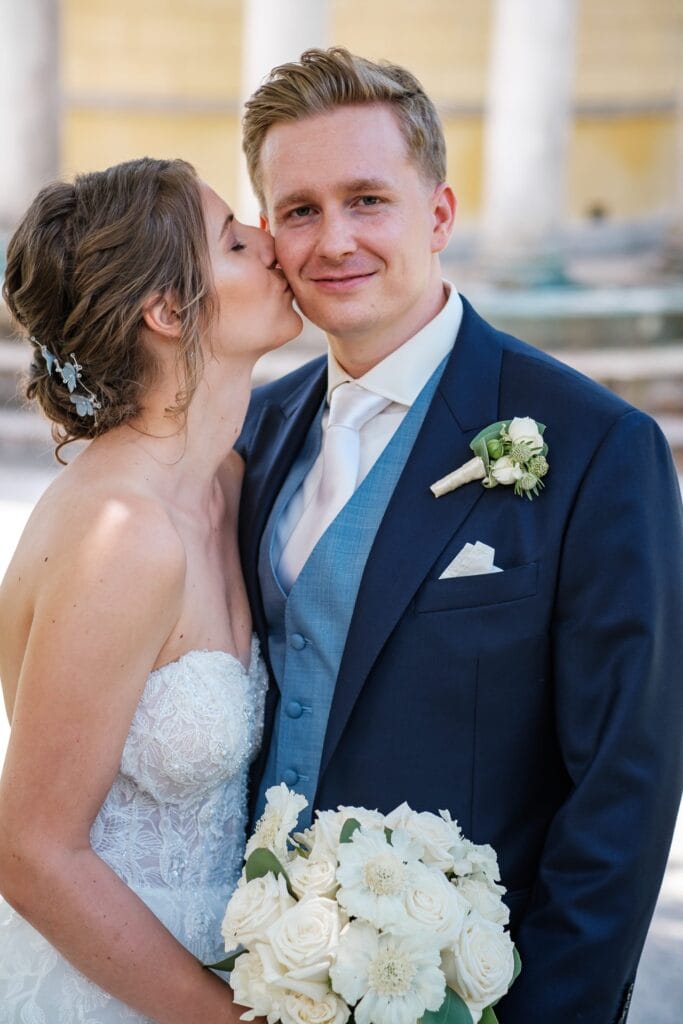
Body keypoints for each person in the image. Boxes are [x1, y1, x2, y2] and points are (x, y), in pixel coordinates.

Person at [235, 48, 683, 1024]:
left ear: (436, 215)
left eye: (366, 199)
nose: (333, 238)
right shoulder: (249, 433)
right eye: (299, 209)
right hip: (250, 975)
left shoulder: (596, 447)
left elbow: (624, 783)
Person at [0, 156, 301, 1022]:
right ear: (167, 312)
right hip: (112, 991)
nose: (275, 245)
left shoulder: (229, 484)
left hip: (226, 961)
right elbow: (32, 853)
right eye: (238, 242)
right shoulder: (123, 536)